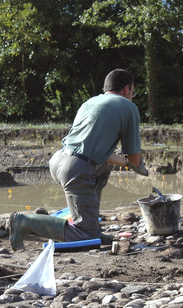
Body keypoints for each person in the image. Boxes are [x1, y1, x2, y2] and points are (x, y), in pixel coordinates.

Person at [9, 68, 148, 250]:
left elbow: (96, 153)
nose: (132, 95)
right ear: (127, 89)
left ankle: (93, 228)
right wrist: (137, 166)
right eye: (133, 92)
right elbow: (135, 159)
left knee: (100, 171)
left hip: (60, 160)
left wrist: (125, 162)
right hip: (77, 168)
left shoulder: (91, 102)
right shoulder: (128, 107)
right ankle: (25, 222)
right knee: (86, 236)